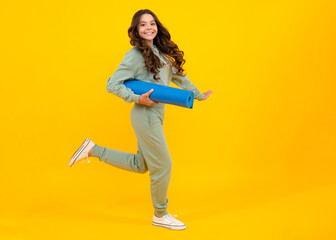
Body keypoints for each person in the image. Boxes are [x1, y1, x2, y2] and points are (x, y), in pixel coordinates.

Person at [69, 9, 213, 230]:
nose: (149, 28)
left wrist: (198, 95)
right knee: (163, 164)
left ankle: (92, 149)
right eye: (143, 25)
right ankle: (161, 214)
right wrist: (137, 98)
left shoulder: (160, 52)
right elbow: (112, 84)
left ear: (157, 26)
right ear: (136, 29)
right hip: (144, 114)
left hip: (157, 113)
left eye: (152, 23)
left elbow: (178, 76)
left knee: (141, 164)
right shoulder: (135, 54)